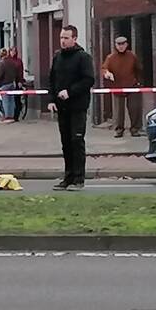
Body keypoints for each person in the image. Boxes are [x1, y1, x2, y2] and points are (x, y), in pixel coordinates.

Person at [48, 25, 96, 191]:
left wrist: (70, 92)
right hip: (62, 108)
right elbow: (52, 79)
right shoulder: (57, 57)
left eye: (66, 38)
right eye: (61, 37)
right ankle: (68, 177)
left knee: (76, 141)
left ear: (74, 39)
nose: (63, 41)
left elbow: (89, 79)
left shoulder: (83, 57)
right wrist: (52, 99)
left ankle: (78, 179)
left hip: (77, 106)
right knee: (65, 143)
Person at [102, 36, 145, 137]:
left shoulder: (132, 56)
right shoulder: (111, 58)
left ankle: (135, 129)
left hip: (131, 85)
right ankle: (119, 129)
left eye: (123, 44)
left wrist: (139, 82)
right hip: (117, 86)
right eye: (118, 44)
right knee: (118, 110)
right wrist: (107, 73)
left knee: (134, 108)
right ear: (115, 45)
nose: (121, 47)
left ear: (126, 45)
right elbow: (104, 68)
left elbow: (139, 68)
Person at [0, 47, 23, 123]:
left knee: (5, 101)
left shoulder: (2, 63)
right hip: (12, 83)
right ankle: (12, 116)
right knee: (11, 100)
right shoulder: (12, 62)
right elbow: (16, 73)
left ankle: (7, 117)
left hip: (4, 83)